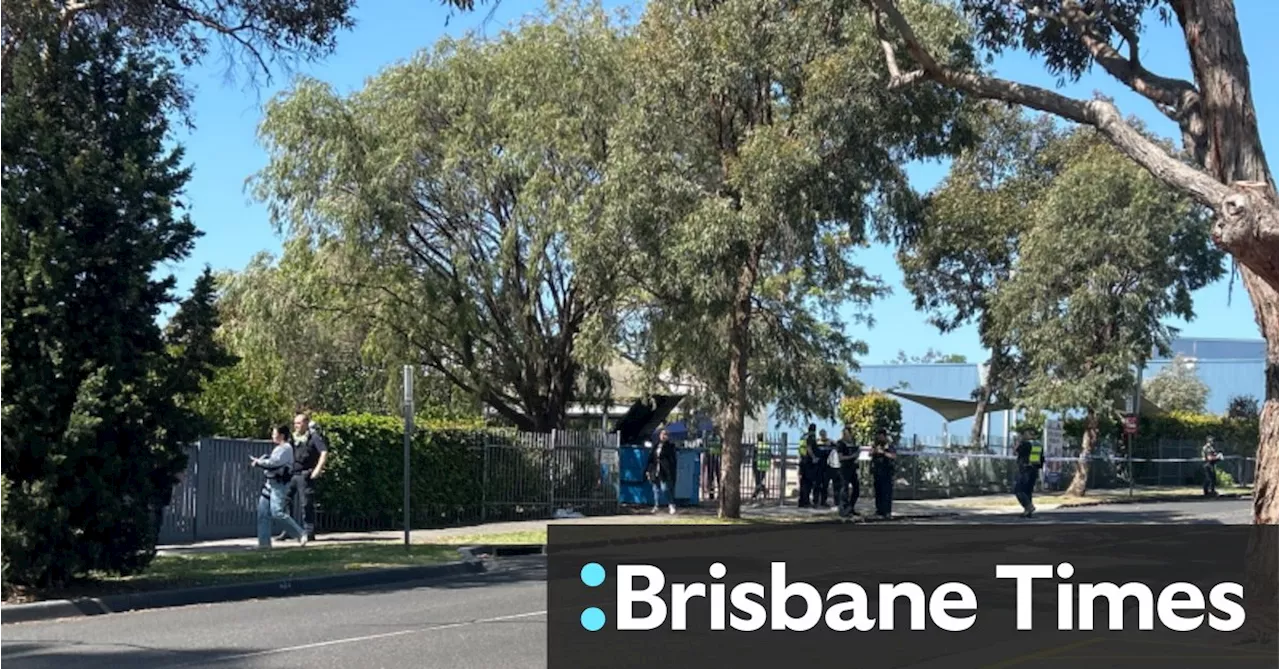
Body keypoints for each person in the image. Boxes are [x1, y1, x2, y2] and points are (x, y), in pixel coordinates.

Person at [253, 425, 309, 549]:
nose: (272, 436)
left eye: (274, 433)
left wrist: (259, 463)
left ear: (281, 435)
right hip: (270, 483)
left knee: (277, 512)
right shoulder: (279, 448)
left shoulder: (285, 448)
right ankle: (264, 544)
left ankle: (300, 533)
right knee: (263, 514)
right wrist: (262, 461)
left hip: (279, 485)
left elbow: (274, 463)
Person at [278, 412, 328, 541]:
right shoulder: (292, 438)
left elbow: (323, 452)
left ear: (306, 423)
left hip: (305, 474)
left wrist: (317, 469)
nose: (296, 426)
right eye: (295, 423)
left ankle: (309, 531)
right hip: (292, 474)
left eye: (299, 423)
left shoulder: (313, 437)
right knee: (285, 501)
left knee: (306, 503)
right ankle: (289, 529)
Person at [646, 429, 678, 515]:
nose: (663, 436)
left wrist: (671, 471)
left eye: (665, 434)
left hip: (664, 470)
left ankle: (671, 504)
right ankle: (656, 506)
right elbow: (651, 458)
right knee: (655, 489)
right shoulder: (656, 445)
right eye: (662, 434)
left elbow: (673, 460)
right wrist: (648, 470)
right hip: (655, 469)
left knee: (665, 488)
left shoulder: (670, 446)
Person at [1013, 428, 1044, 518]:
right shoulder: (1038, 444)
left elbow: (1016, 451)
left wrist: (1018, 442)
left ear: (1027, 435)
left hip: (1025, 469)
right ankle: (1027, 512)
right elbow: (1041, 459)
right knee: (1028, 491)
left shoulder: (1025, 444)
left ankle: (1029, 506)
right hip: (1034, 470)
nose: (1023, 436)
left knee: (1018, 490)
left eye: (1024, 434)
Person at [834, 427, 861, 519]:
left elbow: (856, 453)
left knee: (856, 488)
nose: (846, 436)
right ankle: (843, 509)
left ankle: (851, 507)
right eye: (844, 434)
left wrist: (856, 456)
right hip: (844, 468)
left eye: (847, 434)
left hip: (853, 468)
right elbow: (840, 457)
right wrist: (852, 456)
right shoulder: (840, 443)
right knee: (844, 489)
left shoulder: (853, 443)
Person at [869, 428, 897, 518]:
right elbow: (870, 454)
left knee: (887, 493)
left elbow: (893, 456)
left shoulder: (889, 445)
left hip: (887, 472)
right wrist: (874, 451)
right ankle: (879, 511)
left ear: (884, 436)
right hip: (877, 472)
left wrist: (883, 452)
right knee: (878, 492)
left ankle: (887, 512)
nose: (879, 438)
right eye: (878, 436)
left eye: (881, 436)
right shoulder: (875, 445)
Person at [812, 429, 834, 508]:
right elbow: (814, 451)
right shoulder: (817, 442)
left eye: (824, 434)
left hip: (827, 466)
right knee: (817, 484)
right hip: (818, 466)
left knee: (825, 484)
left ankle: (823, 501)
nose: (823, 435)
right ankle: (815, 501)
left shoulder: (830, 442)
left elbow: (834, 450)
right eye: (822, 434)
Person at [798, 424, 818, 508]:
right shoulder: (811, 437)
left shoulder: (803, 436)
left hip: (802, 461)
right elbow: (809, 448)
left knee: (803, 483)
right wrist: (814, 457)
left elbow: (800, 449)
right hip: (809, 463)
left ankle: (802, 501)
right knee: (808, 483)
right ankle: (806, 502)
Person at [703, 430, 722, 501]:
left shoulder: (719, 438)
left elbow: (720, 446)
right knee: (710, 477)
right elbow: (707, 447)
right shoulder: (709, 438)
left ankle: (720, 493)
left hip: (717, 458)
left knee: (718, 477)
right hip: (710, 458)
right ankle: (711, 494)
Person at [751, 434, 771, 501]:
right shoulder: (766, 446)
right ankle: (756, 494)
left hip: (757, 465)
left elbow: (754, 457)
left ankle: (762, 491)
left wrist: (753, 465)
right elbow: (770, 455)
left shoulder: (756, 446)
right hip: (765, 465)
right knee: (759, 481)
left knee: (758, 481)